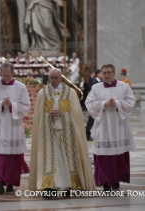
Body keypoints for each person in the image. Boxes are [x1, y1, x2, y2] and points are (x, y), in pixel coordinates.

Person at [28, 68, 95, 197]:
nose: (53, 80)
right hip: (49, 133)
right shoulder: (43, 93)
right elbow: (38, 116)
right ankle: (49, 188)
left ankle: (67, 186)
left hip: (67, 134)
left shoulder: (70, 93)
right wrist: (48, 114)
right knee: (50, 160)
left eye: (56, 78)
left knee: (66, 159)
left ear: (61, 78)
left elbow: (76, 114)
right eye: (51, 78)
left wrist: (62, 114)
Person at [85, 63, 136, 192]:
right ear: (101, 74)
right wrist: (103, 104)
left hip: (119, 125)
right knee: (103, 155)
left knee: (118, 154)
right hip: (103, 125)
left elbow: (131, 102)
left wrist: (117, 104)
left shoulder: (124, 87)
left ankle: (116, 180)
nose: (106, 75)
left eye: (109, 72)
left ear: (114, 73)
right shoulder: (96, 88)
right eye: (104, 73)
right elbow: (89, 103)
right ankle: (105, 182)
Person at [0, 63, 31, 195]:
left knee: (12, 155)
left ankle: (10, 182)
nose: (6, 78)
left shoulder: (20, 87)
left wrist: (12, 105)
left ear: (13, 73)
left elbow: (26, 106)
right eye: (4, 75)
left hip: (13, 125)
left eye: (8, 75)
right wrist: (0, 104)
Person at [85, 70, 103, 141]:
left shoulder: (102, 82)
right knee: (91, 119)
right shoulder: (93, 82)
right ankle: (87, 134)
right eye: (102, 73)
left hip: (101, 104)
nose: (103, 75)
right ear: (98, 74)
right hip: (94, 104)